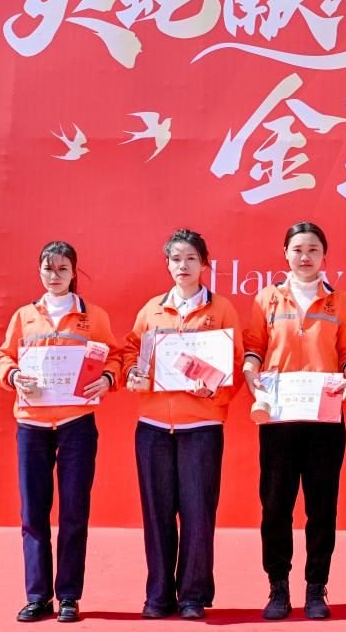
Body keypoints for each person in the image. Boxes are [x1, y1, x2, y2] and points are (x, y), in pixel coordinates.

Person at [0, 241, 120, 623]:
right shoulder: (24, 316)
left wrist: (108, 378)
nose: (55, 276)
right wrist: (14, 375)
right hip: (32, 424)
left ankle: (68, 596)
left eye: (62, 269)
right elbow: (3, 356)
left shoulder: (93, 316)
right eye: (48, 269)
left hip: (76, 424)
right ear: (39, 271)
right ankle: (37, 596)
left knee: (74, 511)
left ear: (74, 272)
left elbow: (113, 356)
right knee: (33, 513)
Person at [242, 222, 346, 620]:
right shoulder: (266, 299)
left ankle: (316, 588)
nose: (305, 256)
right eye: (297, 249)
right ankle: (278, 585)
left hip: (324, 417)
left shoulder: (340, 302)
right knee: (275, 505)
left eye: (313, 249)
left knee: (322, 506)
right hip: (279, 416)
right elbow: (254, 347)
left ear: (324, 256)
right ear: (285, 253)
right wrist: (250, 370)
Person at [122, 229, 244, 620]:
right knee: (156, 513)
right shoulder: (151, 310)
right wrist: (132, 372)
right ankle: (158, 595)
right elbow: (131, 352)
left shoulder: (221, 310)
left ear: (204, 264)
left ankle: (193, 595)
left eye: (191, 258)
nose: (183, 266)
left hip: (201, 427)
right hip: (153, 426)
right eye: (176, 259)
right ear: (167, 264)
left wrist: (215, 391)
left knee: (197, 513)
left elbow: (235, 366)